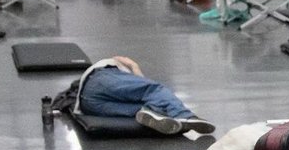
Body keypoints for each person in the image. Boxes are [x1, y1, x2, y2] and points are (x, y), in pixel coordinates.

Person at [75, 56, 214, 135]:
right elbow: (146, 86)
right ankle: (186, 116)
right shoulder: (112, 65)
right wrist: (134, 66)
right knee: (154, 89)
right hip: (100, 79)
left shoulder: (117, 81)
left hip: (90, 105)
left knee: (142, 108)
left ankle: (157, 114)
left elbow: (139, 88)